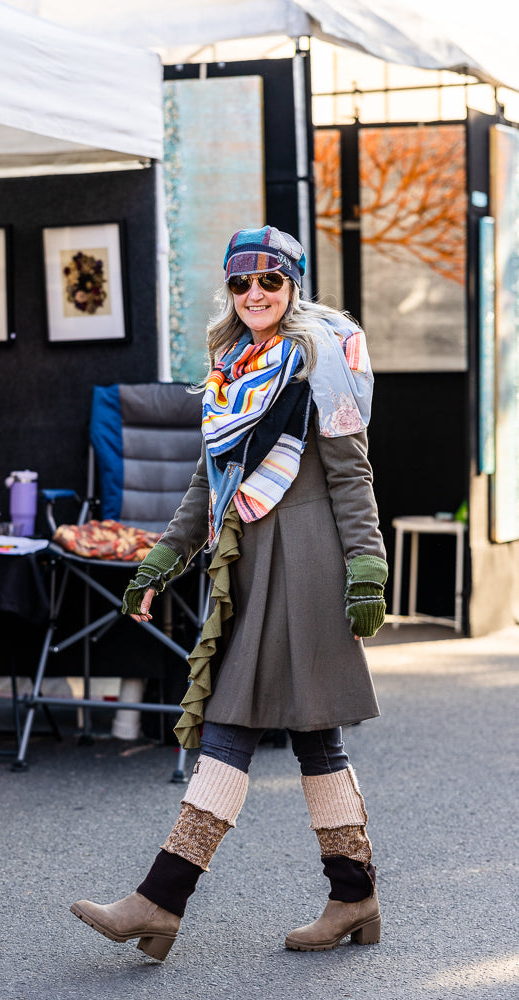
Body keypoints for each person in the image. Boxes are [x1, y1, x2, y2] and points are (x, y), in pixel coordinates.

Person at [70, 225, 388, 960]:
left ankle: (159, 900)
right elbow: (208, 481)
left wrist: (365, 567)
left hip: (307, 562)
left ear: (292, 285)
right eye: (240, 283)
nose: (254, 295)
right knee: (315, 739)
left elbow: (349, 471)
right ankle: (353, 895)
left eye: (269, 282)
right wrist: (162, 558)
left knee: (230, 726)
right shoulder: (232, 364)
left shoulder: (318, 360)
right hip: (246, 561)